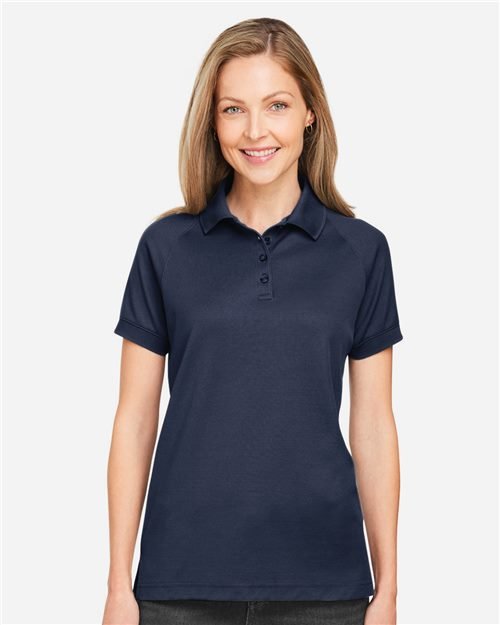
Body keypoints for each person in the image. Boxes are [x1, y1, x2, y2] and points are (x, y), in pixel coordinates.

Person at [102, 17, 403, 625]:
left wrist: (389, 588)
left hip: (325, 585)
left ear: (310, 113)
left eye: (277, 105)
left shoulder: (361, 251)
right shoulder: (165, 247)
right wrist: (117, 586)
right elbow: (134, 421)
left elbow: (373, 423)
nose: (256, 130)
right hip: (179, 582)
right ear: (211, 122)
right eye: (233, 109)